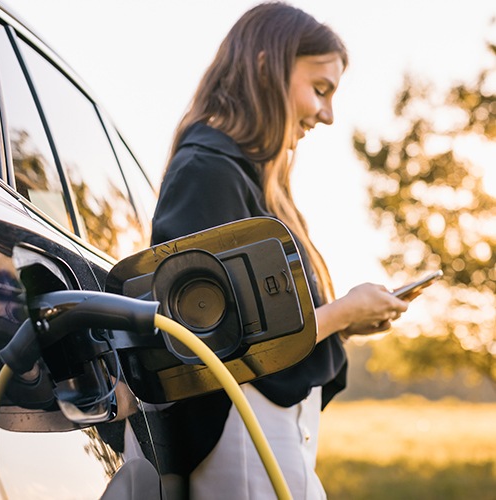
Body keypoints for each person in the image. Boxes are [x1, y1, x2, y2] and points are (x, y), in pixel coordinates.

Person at [151, 2, 409, 498]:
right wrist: (341, 313)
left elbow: (264, 317)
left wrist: (345, 320)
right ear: (267, 66)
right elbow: (214, 338)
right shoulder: (208, 171)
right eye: (320, 89)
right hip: (242, 430)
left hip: (268, 427)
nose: (328, 115)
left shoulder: (251, 180)